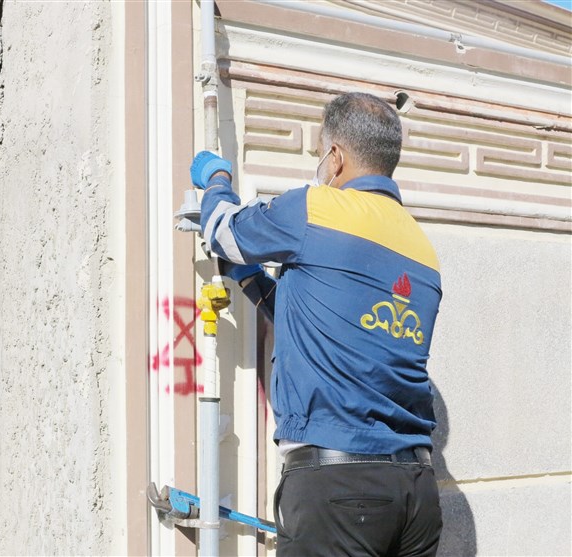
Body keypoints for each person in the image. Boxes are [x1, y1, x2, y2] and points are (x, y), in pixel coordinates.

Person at [189, 92, 443, 556]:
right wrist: (252, 283)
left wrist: (217, 179)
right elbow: (332, 325)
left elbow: (224, 231)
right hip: (416, 491)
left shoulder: (317, 208)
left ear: (337, 157)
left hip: (339, 489)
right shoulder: (421, 249)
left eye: (321, 153)